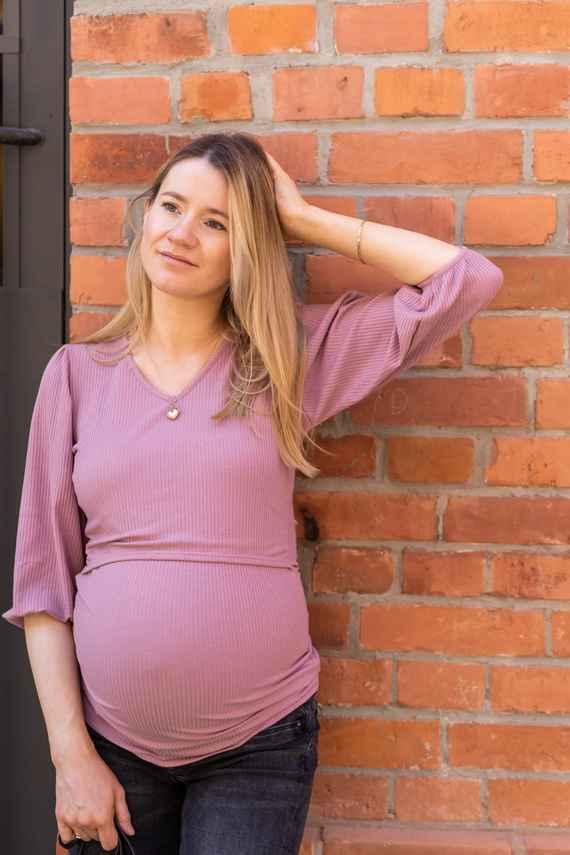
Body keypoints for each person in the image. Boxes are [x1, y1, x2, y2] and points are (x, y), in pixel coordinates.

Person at [4, 133, 503, 855]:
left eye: (219, 221)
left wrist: (302, 220)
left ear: (250, 247)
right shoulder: (76, 375)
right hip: (109, 747)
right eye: (171, 206)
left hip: (259, 746)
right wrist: (69, 755)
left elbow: (467, 280)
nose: (183, 231)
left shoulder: (283, 362)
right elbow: (44, 587)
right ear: (145, 216)